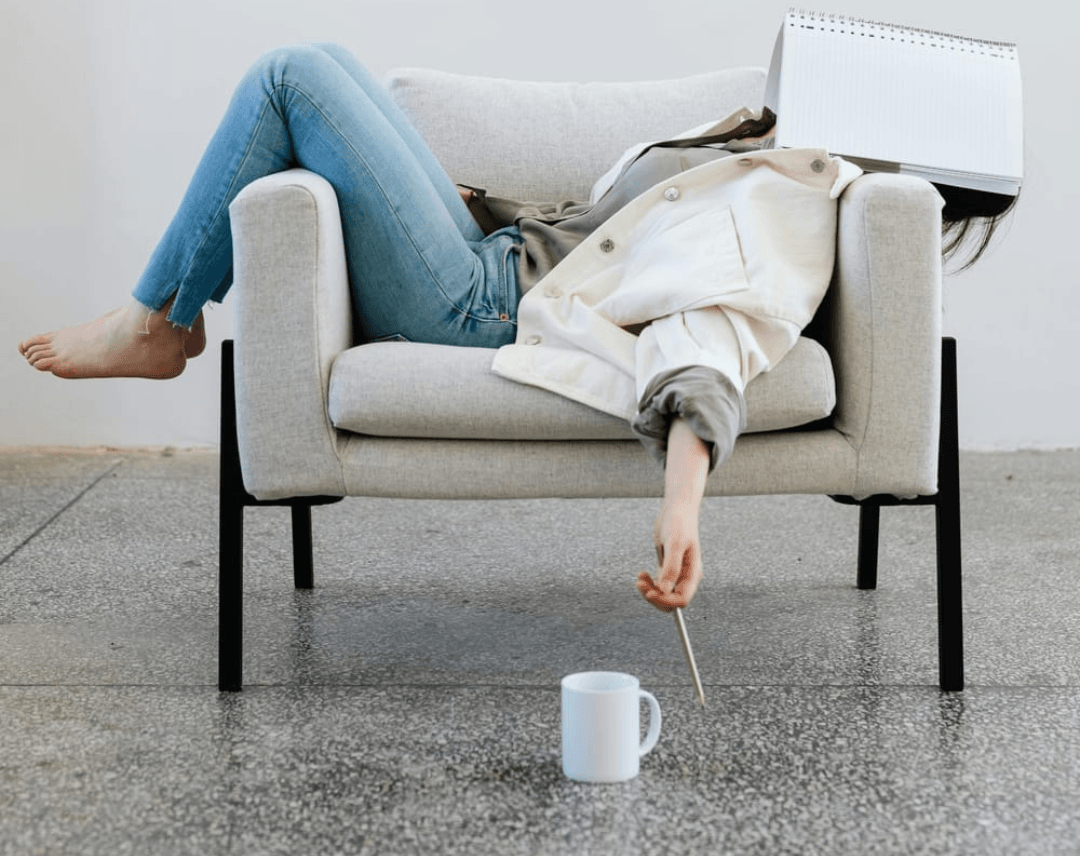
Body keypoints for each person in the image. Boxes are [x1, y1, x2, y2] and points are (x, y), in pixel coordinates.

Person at [17, 43, 1016, 615]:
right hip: (489, 253)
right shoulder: (779, 150)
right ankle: (160, 315)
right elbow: (605, 234)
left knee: (292, 74)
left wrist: (683, 504)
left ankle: (156, 321)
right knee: (320, 65)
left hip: (479, 304)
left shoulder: (798, 208)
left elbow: (711, 339)